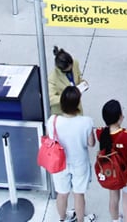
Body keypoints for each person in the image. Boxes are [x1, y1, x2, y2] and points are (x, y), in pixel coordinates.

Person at [47, 86, 95, 222]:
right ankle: (81, 220)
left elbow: (50, 138)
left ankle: (62, 218)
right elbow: (91, 143)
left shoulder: (53, 121)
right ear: (77, 104)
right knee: (79, 194)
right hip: (79, 163)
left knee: (62, 194)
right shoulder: (86, 122)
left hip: (59, 163)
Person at [96, 99, 127, 222]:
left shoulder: (100, 132)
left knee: (113, 198)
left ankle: (115, 220)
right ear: (120, 117)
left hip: (111, 172)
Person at [48, 47, 85, 112]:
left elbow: (78, 76)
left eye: (71, 69)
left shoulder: (75, 63)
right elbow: (50, 99)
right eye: (67, 71)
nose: (71, 69)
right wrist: (68, 97)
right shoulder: (52, 78)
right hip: (62, 111)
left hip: (76, 107)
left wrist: (82, 84)